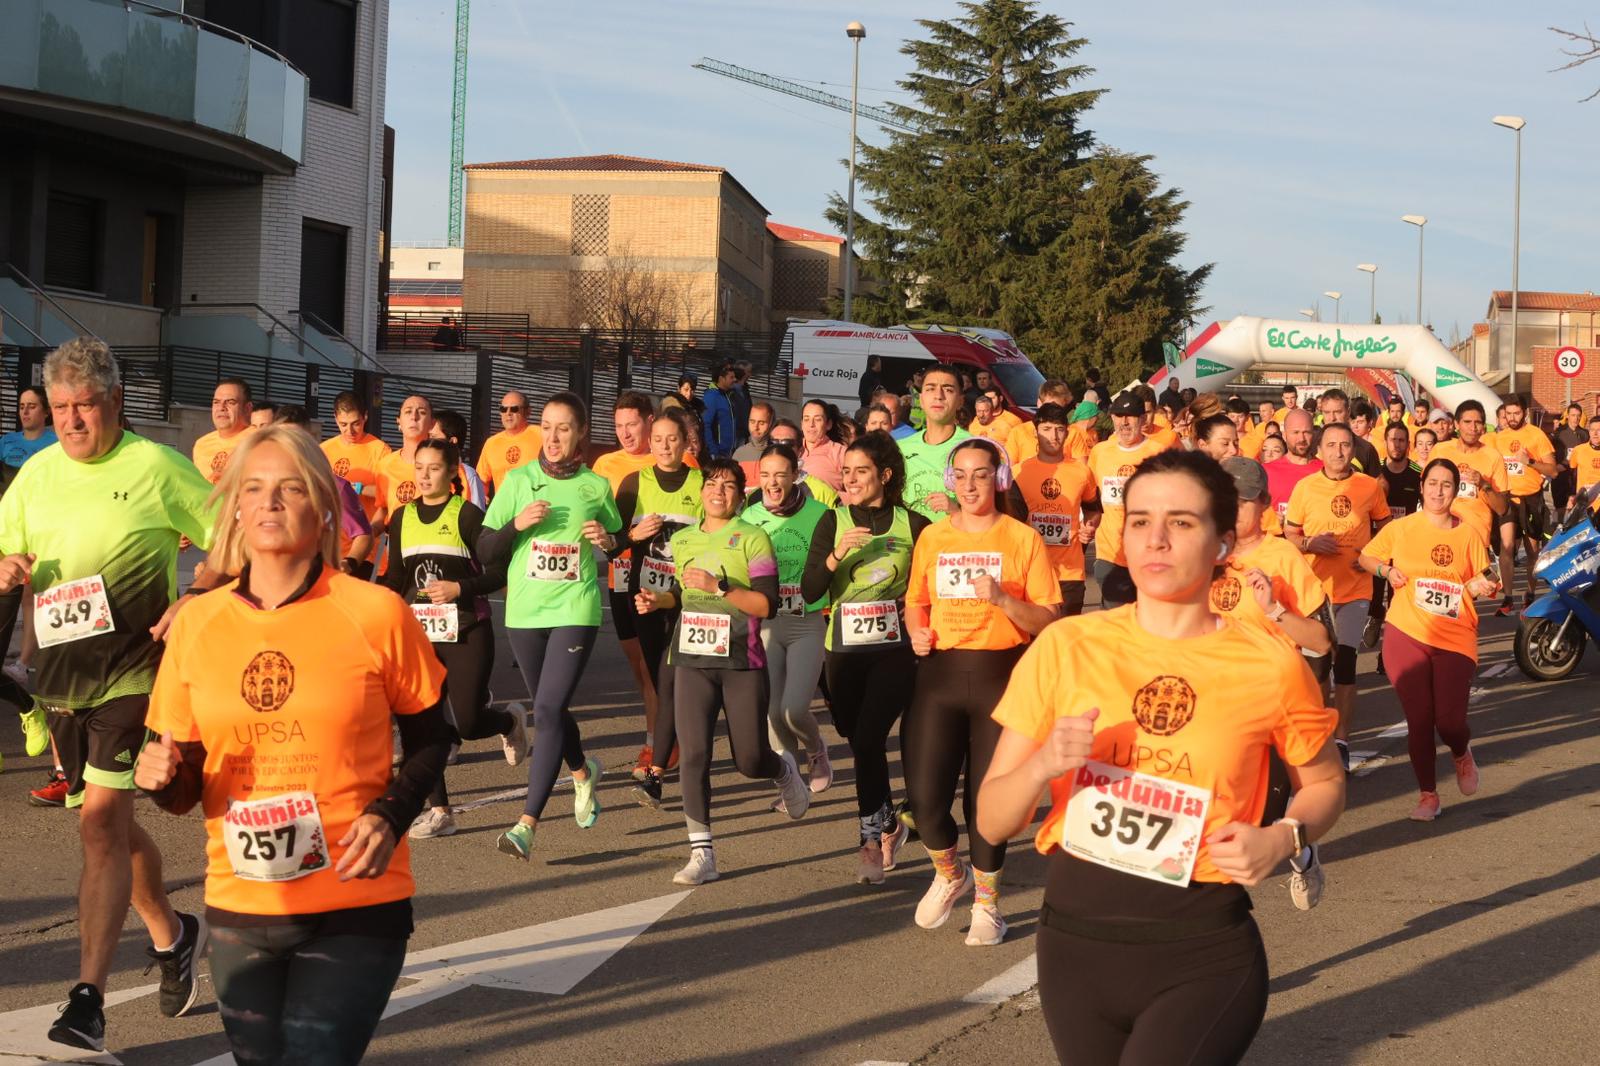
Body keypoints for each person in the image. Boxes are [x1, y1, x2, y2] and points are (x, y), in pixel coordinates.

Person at [977, 449, 1344, 1066]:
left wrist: (1283, 839)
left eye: (1181, 522)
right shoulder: (1067, 644)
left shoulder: (1270, 662)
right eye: (1141, 520)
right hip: (1074, 948)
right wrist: (1042, 766)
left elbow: (1326, 783)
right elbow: (990, 820)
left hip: (1201, 953)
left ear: (1223, 543)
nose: (1156, 539)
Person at [136, 426, 450, 1064]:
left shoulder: (375, 612)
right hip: (240, 900)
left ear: (322, 505)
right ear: (236, 509)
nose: (269, 503)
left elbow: (433, 735)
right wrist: (163, 778)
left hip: (354, 897)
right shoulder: (197, 623)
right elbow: (188, 786)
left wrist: (391, 815)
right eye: (253, 489)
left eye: (289, 488)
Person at [0, 338, 224, 1052]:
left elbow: (232, 536)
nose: (69, 420)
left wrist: (199, 593)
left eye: (82, 406)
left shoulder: (156, 467)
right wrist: (6, 568)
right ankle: (173, 932)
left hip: (134, 673)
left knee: (100, 826)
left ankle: (87, 1000)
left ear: (115, 403)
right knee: (110, 831)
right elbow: (6, 551)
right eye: (59, 407)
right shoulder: (34, 477)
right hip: (62, 681)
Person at [903, 439, 1060, 944]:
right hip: (940, 677)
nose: (970, 485)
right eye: (962, 475)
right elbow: (915, 601)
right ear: (950, 481)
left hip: (1001, 677)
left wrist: (1003, 599)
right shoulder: (932, 537)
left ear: (998, 479)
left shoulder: (1021, 538)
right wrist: (916, 630)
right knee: (925, 802)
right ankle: (952, 873)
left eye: (981, 474)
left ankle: (989, 906)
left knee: (984, 805)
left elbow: (1050, 619)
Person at [637, 459, 810, 884]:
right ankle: (702, 854)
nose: (719, 492)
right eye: (712, 484)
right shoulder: (683, 539)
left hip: (741, 660)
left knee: (749, 759)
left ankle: (784, 770)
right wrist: (657, 602)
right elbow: (679, 593)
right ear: (701, 492)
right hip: (693, 658)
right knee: (694, 755)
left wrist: (721, 587)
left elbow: (766, 606)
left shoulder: (754, 538)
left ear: (739, 494)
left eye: (730, 486)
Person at [478, 392, 622, 860]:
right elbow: (485, 549)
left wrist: (608, 539)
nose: (554, 436)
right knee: (551, 709)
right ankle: (582, 772)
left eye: (564, 428)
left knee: (547, 709)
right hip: (524, 613)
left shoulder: (595, 488)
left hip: (575, 610)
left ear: (581, 433)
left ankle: (527, 823)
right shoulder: (519, 480)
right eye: (547, 426)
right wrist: (517, 524)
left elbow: (617, 539)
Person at [801, 431, 930, 883]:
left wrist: (912, 607)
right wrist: (837, 556)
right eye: (848, 471)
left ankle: (870, 840)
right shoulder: (832, 521)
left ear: (885, 476)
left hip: (893, 649)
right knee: (856, 737)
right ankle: (888, 818)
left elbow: (931, 584)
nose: (851, 479)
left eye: (861, 471)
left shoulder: (913, 526)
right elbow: (810, 590)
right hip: (843, 650)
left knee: (871, 737)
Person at [383, 437, 525, 839]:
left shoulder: (466, 515)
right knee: (423, 722)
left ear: (452, 473)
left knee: (466, 720)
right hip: (419, 634)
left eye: (433, 468)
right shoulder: (401, 517)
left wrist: (459, 588)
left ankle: (507, 720)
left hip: (467, 628)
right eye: (419, 467)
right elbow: (396, 578)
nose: (424, 475)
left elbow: (499, 571)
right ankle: (440, 811)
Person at [1359, 458, 1499, 821]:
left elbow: (1479, 580)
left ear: (1456, 490)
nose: (1439, 491)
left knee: (1449, 723)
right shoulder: (1401, 528)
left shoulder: (1468, 534)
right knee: (1419, 718)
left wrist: (1484, 586)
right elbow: (1366, 556)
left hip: (1454, 636)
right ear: (1421, 486)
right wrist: (1386, 570)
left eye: (1447, 485)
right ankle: (1428, 796)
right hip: (1406, 631)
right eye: (1433, 483)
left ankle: (1461, 751)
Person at [1285, 423, 1391, 771]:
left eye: (1345, 445)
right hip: (1314, 593)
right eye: (1331, 445)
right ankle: (1319, 734)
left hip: (1355, 590)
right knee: (1318, 670)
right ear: (1319, 451)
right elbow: (1290, 532)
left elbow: (1386, 528)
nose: (1339, 451)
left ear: (1353, 449)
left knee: (1345, 663)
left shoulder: (1368, 486)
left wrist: (1372, 556)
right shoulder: (1305, 488)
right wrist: (1310, 544)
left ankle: (1342, 740)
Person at [741, 444, 833, 794]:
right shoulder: (748, 519)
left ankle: (816, 749)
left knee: (794, 709)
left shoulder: (821, 514)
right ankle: (790, 785)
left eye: (781, 474)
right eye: (765, 475)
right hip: (766, 624)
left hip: (806, 622)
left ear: (796, 475)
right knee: (773, 713)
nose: (772, 483)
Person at [622, 409, 703, 799]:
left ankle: (665, 754)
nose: (666, 446)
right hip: (647, 598)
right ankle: (670, 746)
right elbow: (612, 538)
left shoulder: (703, 484)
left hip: (689, 599)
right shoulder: (634, 481)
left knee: (677, 679)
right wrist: (633, 534)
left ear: (686, 442)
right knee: (657, 676)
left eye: (673, 439)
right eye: (659, 440)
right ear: (650, 443)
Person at [593, 393, 665, 777]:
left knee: (652, 666)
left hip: (657, 574)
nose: (624, 433)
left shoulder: (667, 459)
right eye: (618, 425)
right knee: (637, 666)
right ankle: (661, 725)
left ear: (649, 422)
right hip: (618, 571)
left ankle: (656, 743)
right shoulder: (605, 464)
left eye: (631, 424)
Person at [1087, 392, 1173, 608]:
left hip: (1149, 554)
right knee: (1114, 623)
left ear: (1142, 419)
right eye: (1119, 416)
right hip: (1110, 553)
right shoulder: (1100, 452)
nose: (1124, 422)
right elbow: (1090, 495)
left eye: (1130, 416)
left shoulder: (1159, 453)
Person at [1014, 403, 1100, 617]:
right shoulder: (1018, 473)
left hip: (1069, 572)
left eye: (1059, 429)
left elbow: (1093, 510)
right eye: (1046, 429)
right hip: (1029, 570)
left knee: (1065, 642)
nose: (1053, 436)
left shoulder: (1081, 472)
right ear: (1036, 433)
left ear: (1067, 433)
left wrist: (1089, 527)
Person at [274, 406, 374, 578]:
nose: (289, 445)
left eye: (297, 438)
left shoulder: (334, 486)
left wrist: (348, 563)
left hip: (319, 583)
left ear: (310, 439)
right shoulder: (259, 483)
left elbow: (364, 535)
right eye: (283, 438)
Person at [1488, 394, 1557, 615]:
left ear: (1525, 412)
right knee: (1506, 547)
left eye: (1516, 413)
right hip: (1508, 499)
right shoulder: (1498, 438)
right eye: (1508, 414)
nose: (1512, 417)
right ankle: (1507, 598)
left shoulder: (1536, 436)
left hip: (1531, 499)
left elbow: (1553, 470)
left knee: (1532, 550)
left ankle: (1529, 593)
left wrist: (1531, 462)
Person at [1363, 421, 1423, 650]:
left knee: (1398, 598)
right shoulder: (1375, 471)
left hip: (1406, 545)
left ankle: (1387, 652)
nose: (1396, 445)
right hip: (1379, 542)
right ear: (1385, 442)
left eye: (1401, 440)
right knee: (1375, 594)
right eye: (1392, 439)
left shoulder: (1417, 473)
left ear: (1408, 444)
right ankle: (1375, 616)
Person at [320, 390, 393, 577]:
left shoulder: (379, 450)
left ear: (365, 417)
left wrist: (357, 488)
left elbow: (387, 495)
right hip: (329, 547)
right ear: (335, 418)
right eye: (343, 424)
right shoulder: (324, 450)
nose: (350, 431)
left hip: (363, 549)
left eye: (356, 424)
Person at [1429, 400, 1508, 549]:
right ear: (1457, 424)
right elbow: (1425, 491)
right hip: (1441, 533)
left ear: (1483, 427)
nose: (1473, 428)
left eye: (1477, 422)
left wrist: (1484, 484)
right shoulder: (1440, 451)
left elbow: (1502, 509)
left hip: (1476, 536)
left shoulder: (1493, 456)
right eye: (1467, 422)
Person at [899, 365, 972, 519]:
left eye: (948, 389)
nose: (938, 395)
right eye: (931, 389)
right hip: (909, 541)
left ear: (960, 401)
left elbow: (994, 513)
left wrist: (956, 511)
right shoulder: (900, 448)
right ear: (921, 399)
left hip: (955, 540)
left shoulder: (975, 448)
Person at [1264, 409, 1322, 530]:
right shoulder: (1265, 472)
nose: (1301, 438)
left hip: (1318, 547)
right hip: (1278, 546)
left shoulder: (1326, 471)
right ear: (1284, 435)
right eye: (1295, 432)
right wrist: (1270, 520)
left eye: (1306, 432)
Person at [192, 378, 255, 485]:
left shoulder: (259, 439)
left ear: (247, 408)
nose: (221, 407)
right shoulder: (201, 445)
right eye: (216, 402)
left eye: (230, 402)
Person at [0, 385, 58, 490]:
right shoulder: (6, 441)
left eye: (32, 407)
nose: (25, 412)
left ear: (46, 412)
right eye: (22, 407)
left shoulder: (57, 444)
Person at [430, 409, 488, 508]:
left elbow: (477, 515)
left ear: (452, 441)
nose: (429, 441)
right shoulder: (422, 470)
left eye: (433, 437)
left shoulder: (468, 476)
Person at [798, 398, 848, 491]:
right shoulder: (793, 450)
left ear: (828, 424)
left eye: (817, 419)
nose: (811, 424)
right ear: (801, 424)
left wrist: (835, 499)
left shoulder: (840, 453)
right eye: (806, 419)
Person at [1551, 402, 1588, 523]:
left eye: (1578, 415)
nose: (1576, 418)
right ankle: (1557, 531)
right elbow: (1551, 453)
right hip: (1561, 478)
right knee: (1560, 509)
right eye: (1573, 415)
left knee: (1576, 511)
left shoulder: (1584, 434)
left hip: (1578, 478)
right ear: (1568, 416)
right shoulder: (1558, 433)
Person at [702, 363, 738, 459]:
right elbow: (706, 424)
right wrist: (713, 451)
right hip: (718, 453)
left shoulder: (726, 394)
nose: (735, 380)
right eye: (731, 377)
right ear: (721, 378)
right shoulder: (711, 397)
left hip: (728, 452)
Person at [732, 400, 775, 483]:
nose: (756, 427)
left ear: (771, 424)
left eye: (761, 423)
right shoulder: (739, 454)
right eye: (752, 421)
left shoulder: (777, 453)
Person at [1565, 416, 1600, 498]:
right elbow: (1571, 474)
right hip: (1584, 503)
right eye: (1592, 430)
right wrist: (1571, 495)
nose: (1595, 433)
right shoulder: (1578, 450)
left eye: (1599, 430)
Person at [729, 361, 754, 447]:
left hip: (744, 433)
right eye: (748, 371)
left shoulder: (745, 389)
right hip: (735, 433)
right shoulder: (731, 391)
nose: (750, 375)